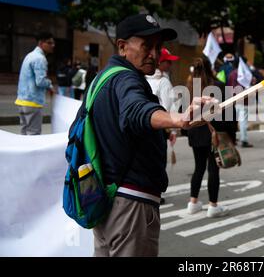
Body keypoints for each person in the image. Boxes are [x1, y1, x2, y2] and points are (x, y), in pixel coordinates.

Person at [89, 14, 214, 257]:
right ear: (122, 46)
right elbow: (137, 109)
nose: (155, 54)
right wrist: (177, 119)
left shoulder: (101, 79)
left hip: (105, 197)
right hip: (130, 204)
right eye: (147, 46)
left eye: (158, 47)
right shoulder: (127, 79)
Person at [185, 57, 237, 218]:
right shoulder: (219, 87)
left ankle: (193, 203)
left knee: (198, 167)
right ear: (211, 69)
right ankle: (213, 206)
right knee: (213, 169)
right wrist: (231, 136)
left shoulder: (189, 88)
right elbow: (230, 114)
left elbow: (183, 113)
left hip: (195, 133)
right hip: (215, 133)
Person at [146, 47, 180, 204]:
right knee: (158, 161)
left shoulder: (142, 78)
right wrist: (173, 130)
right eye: (168, 62)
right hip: (159, 127)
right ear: (161, 62)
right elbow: (168, 107)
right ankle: (155, 193)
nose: (170, 65)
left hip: (144, 125)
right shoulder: (163, 81)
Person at [15, 32, 55, 135]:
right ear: (41, 43)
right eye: (49, 43)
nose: (53, 45)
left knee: (24, 134)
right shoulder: (40, 59)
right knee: (33, 135)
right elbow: (40, 81)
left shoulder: (29, 55)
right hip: (32, 102)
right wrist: (50, 85)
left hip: (22, 101)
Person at [228, 56, 255, 148]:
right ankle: (244, 140)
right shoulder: (245, 74)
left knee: (233, 121)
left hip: (233, 100)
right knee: (243, 121)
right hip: (244, 100)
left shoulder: (232, 74)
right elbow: (250, 84)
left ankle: (233, 138)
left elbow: (229, 87)